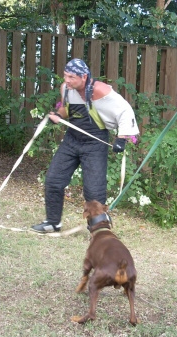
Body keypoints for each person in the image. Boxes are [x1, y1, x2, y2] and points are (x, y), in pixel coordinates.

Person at [31, 58, 140, 233]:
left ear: (84, 76)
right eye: (65, 75)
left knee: (94, 190)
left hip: (95, 142)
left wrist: (121, 138)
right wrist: (58, 115)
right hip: (71, 141)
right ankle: (53, 223)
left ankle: (99, 230)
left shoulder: (100, 90)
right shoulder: (66, 89)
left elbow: (125, 111)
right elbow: (68, 109)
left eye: (71, 77)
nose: (66, 80)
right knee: (53, 180)